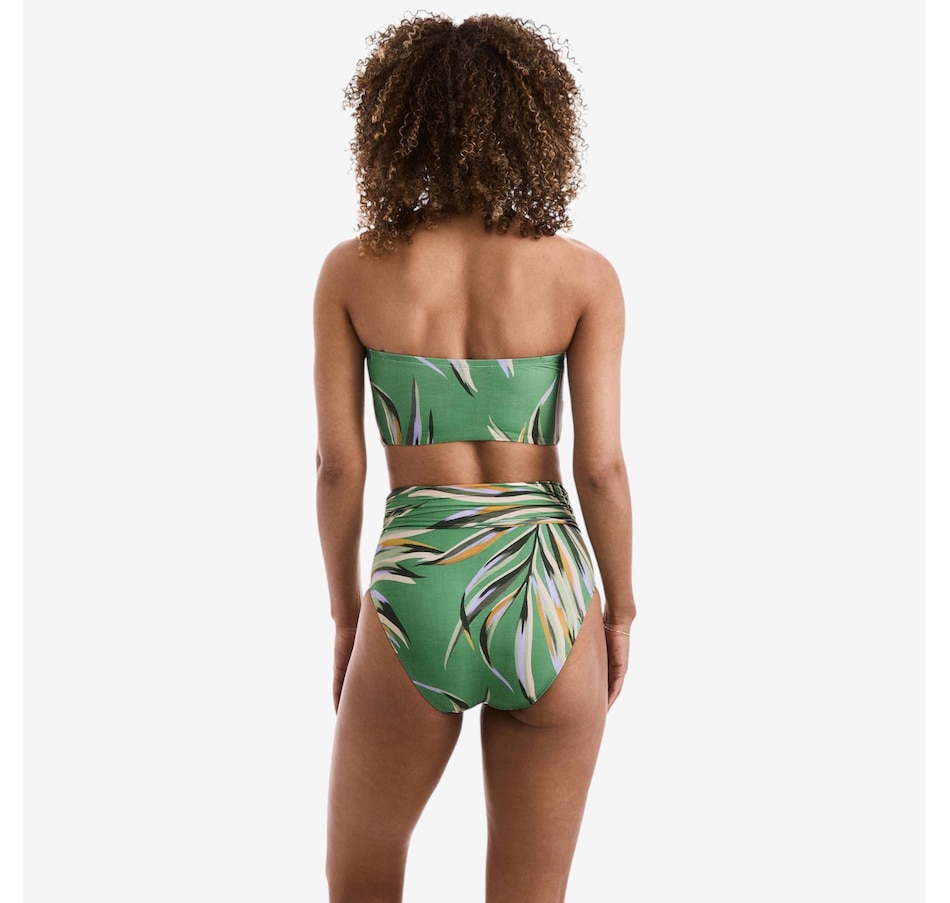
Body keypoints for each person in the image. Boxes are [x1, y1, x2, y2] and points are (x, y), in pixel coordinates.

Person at [312, 13, 636, 902]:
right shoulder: (582, 276)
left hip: (418, 583)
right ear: (532, 119)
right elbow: (601, 468)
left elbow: (338, 466)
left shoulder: (353, 272)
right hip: (549, 586)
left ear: (399, 122)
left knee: (359, 882)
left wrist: (345, 614)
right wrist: (619, 610)